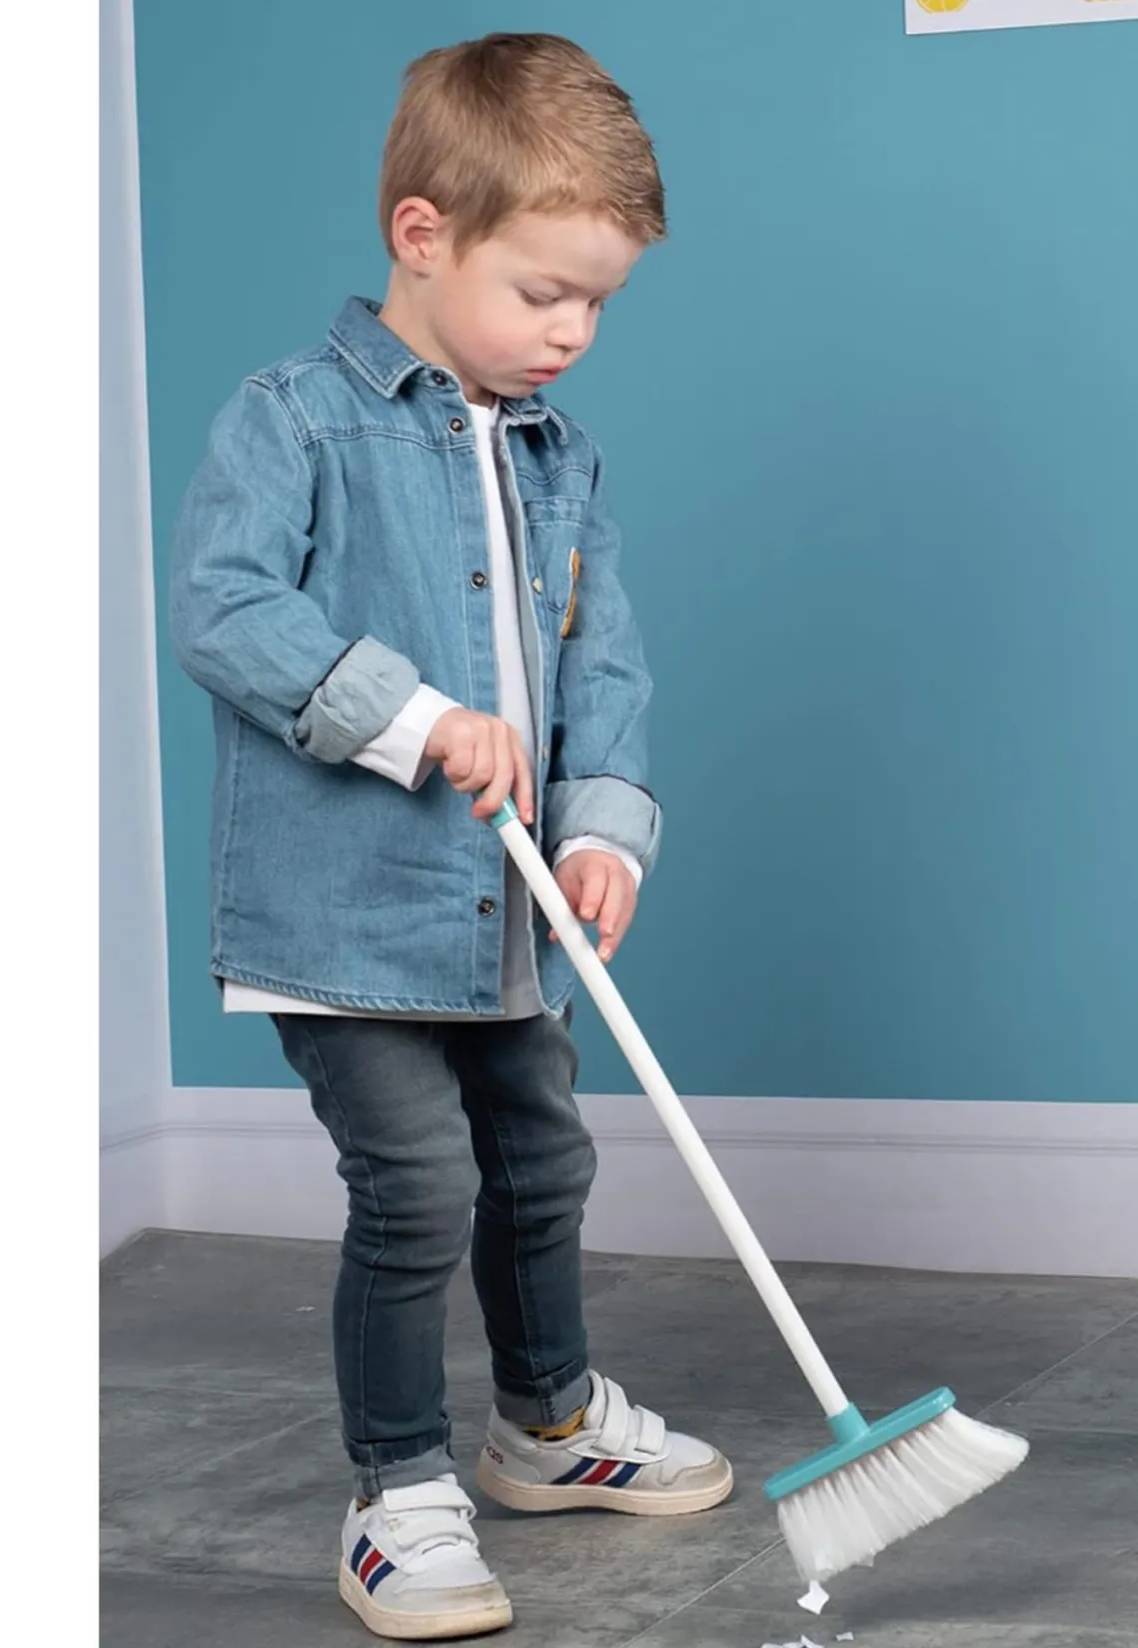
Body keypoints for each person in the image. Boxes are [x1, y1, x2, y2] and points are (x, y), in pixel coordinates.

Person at [169, 33, 731, 1640]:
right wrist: (414, 717)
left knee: (542, 1161)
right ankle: (398, 1493)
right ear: (423, 234)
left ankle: (547, 1424)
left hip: (509, 913)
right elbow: (223, 609)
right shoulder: (290, 422)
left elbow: (602, 663)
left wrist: (606, 830)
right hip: (346, 917)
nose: (573, 332)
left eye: (598, 304)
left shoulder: (562, 456)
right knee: (416, 1186)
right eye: (544, 291)